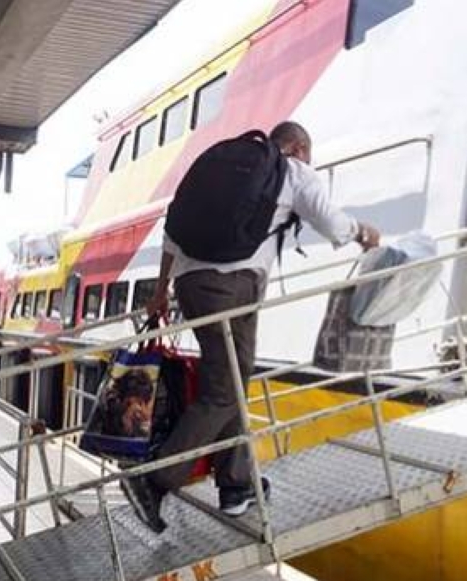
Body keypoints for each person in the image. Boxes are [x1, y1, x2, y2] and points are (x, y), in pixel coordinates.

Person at [124, 121, 381, 532]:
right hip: (234, 286)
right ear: (298, 146)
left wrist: (161, 289)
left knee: (234, 381)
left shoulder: (219, 171)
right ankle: (154, 480)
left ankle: (235, 485)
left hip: (193, 287)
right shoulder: (293, 170)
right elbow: (331, 223)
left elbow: (173, 230)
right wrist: (363, 233)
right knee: (224, 391)